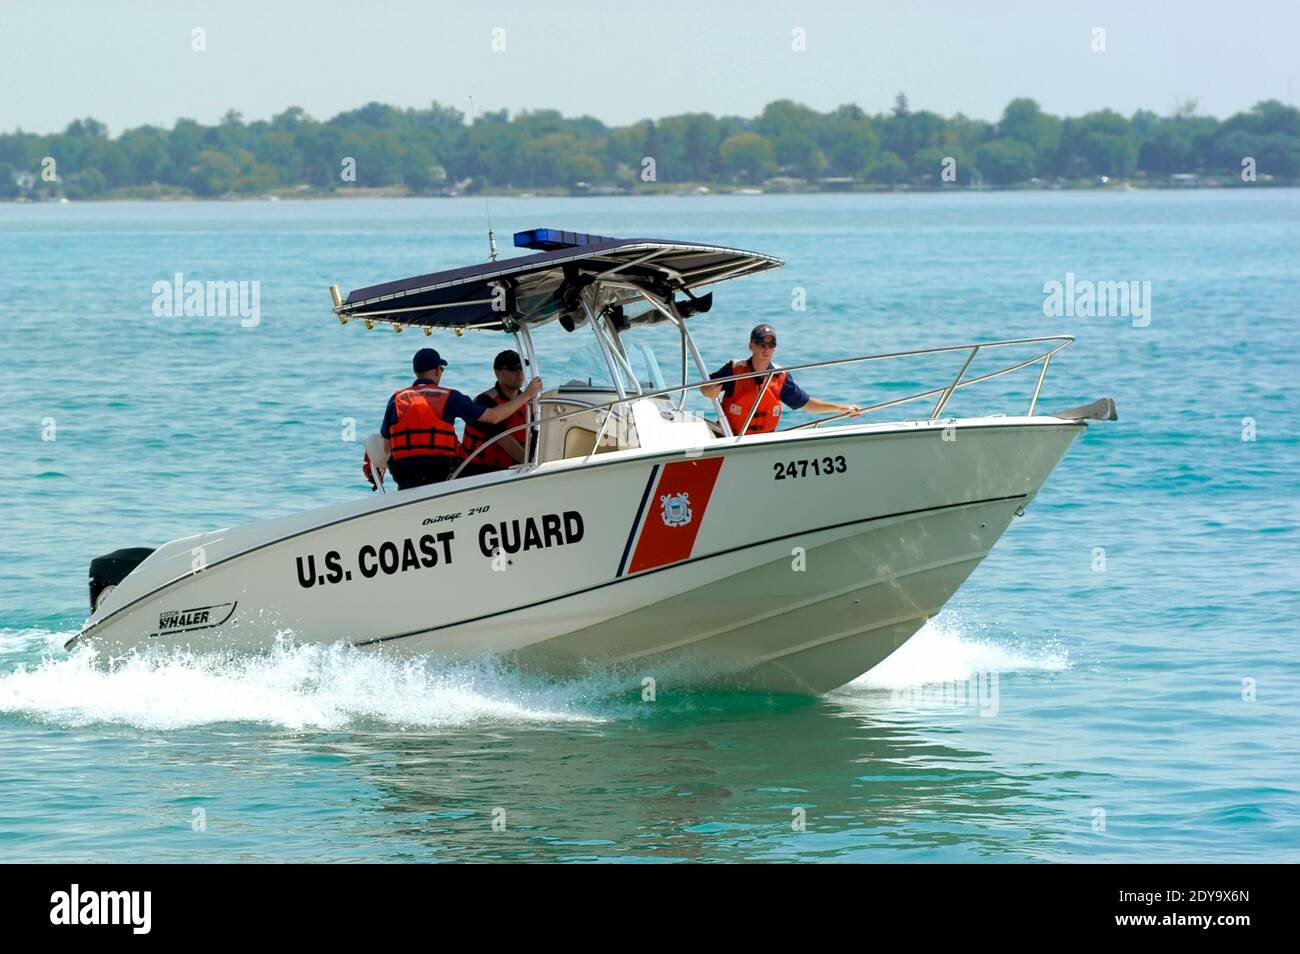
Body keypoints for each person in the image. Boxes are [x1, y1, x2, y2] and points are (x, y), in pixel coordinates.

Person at [381, 348, 542, 489]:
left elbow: (386, 445)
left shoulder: (396, 399)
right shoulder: (451, 396)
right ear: (438, 370)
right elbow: (493, 417)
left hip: (406, 478)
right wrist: (528, 394)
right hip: (441, 474)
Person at [700, 323, 860, 435]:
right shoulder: (734, 370)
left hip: (763, 441)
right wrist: (708, 392)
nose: (766, 349)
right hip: (730, 438)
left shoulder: (780, 377)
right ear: (751, 346)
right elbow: (706, 387)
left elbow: (808, 404)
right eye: (761, 344)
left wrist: (840, 408)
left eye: (771, 345)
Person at [460, 350, 533, 477]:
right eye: (513, 369)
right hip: (480, 472)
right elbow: (504, 440)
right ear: (497, 373)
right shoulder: (485, 402)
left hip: (514, 469)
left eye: (522, 368)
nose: (519, 373)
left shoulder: (529, 402)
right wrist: (534, 464)